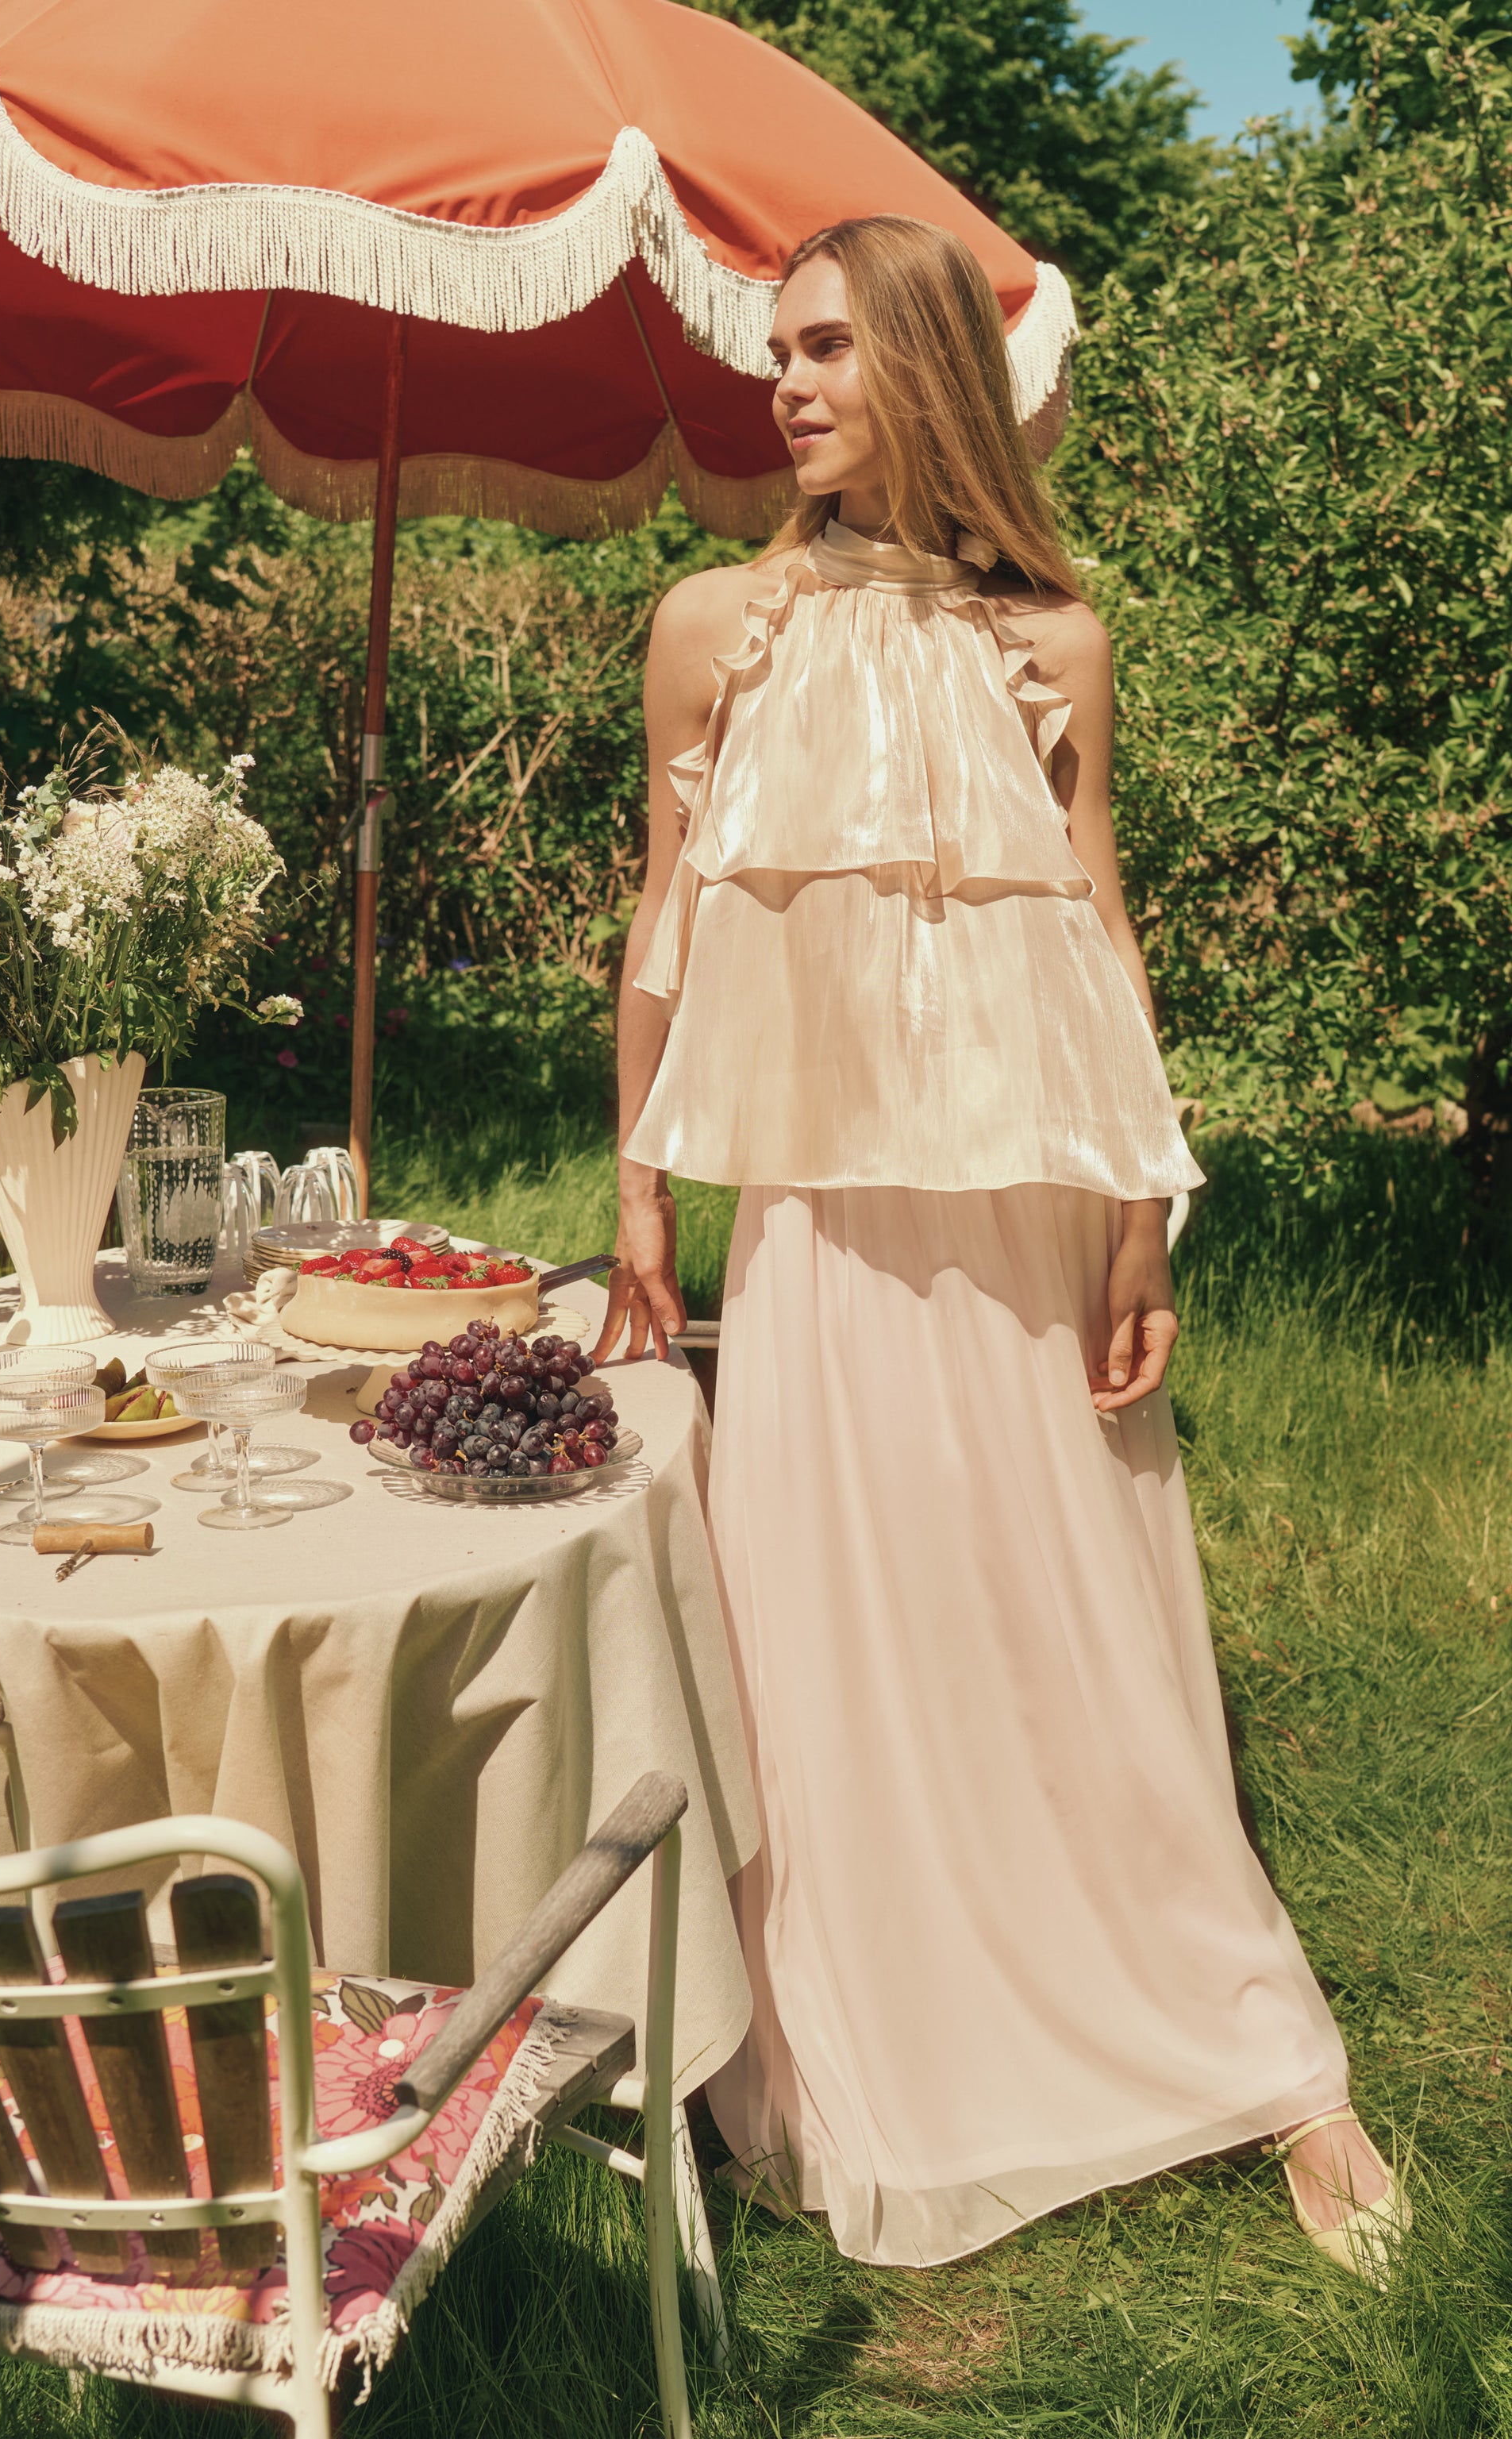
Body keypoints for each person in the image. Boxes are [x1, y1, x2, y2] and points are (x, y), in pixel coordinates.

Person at [593, 215, 1404, 2279]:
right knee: (822, 1626)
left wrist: (1143, 1213)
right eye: (781, 349)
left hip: (1033, 1197)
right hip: (823, 1211)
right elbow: (667, 935)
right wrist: (635, 1208)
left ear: (933, 369)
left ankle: (1242, 2049)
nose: (788, 383)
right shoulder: (712, 628)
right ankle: (889, 2010)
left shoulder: (1058, 642)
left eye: (834, 348)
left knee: (1077, 1628)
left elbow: (1098, 932)